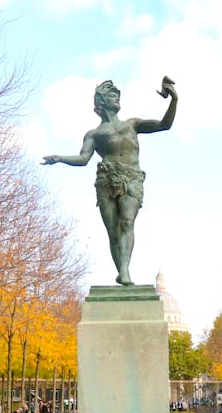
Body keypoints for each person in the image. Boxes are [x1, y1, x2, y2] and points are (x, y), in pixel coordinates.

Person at [42, 77, 178, 286]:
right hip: (106, 179)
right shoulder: (94, 134)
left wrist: (174, 99)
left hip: (131, 177)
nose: (118, 99)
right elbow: (83, 159)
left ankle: (124, 272)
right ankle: (122, 270)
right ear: (102, 101)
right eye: (113, 95)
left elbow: (164, 125)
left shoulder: (132, 124)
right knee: (113, 230)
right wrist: (59, 158)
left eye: (118, 95)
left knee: (127, 221)